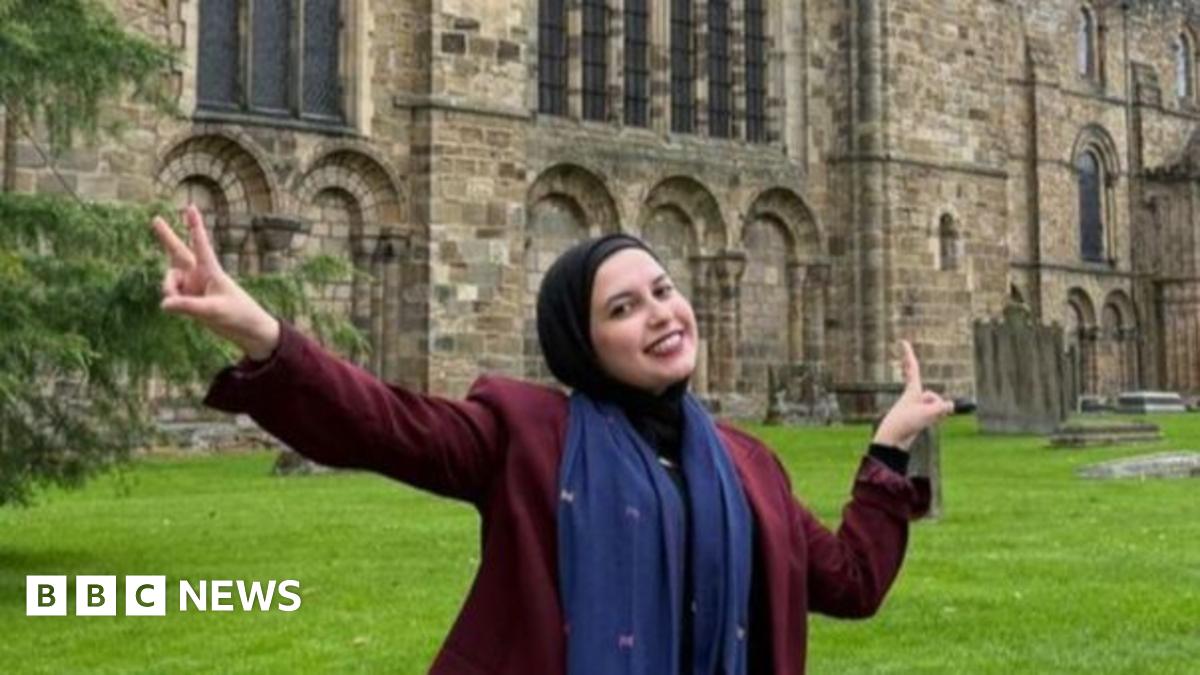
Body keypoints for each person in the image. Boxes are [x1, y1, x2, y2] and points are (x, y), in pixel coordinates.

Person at [152, 205, 953, 675]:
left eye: (664, 291)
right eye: (623, 307)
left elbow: (851, 583)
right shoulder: (528, 436)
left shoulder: (749, 465)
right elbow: (385, 423)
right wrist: (262, 333)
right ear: (582, 343)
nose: (662, 314)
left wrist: (887, 448)